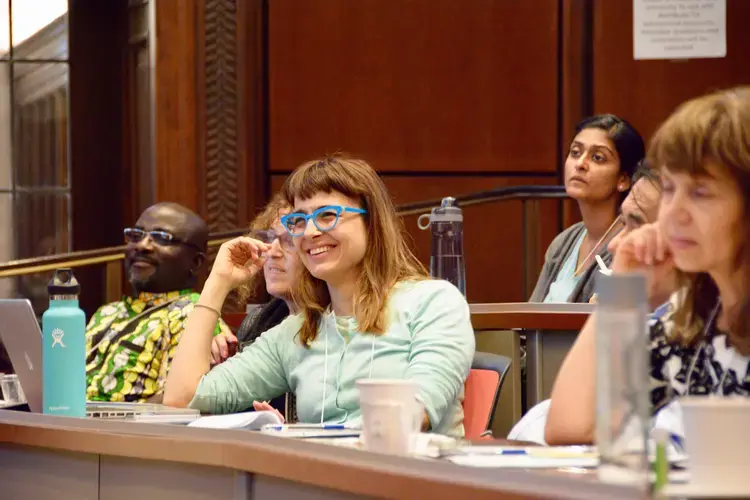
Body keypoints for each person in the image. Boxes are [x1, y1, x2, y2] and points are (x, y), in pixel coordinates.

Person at [165, 155, 475, 436]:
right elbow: (182, 398)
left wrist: (300, 436)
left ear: (371, 221)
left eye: (327, 216)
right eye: (299, 220)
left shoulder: (435, 303)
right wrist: (218, 282)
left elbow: (407, 419)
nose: (310, 232)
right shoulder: (299, 331)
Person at [545, 87, 750, 445]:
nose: (674, 213)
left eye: (700, 193)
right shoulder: (691, 317)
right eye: (670, 189)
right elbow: (570, 428)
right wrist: (623, 287)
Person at [86, 202, 231, 402]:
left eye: (162, 238)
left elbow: (177, 401)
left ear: (194, 262)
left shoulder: (194, 316)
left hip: (127, 430)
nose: (142, 245)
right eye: (136, 234)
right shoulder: (107, 312)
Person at [530, 114, 645, 303]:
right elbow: (529, 319)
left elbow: (613, 327)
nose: (580, 164)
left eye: (597, 157)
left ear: (623, 179)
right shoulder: (564, 242)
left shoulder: (630, 244)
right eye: (575, 152)